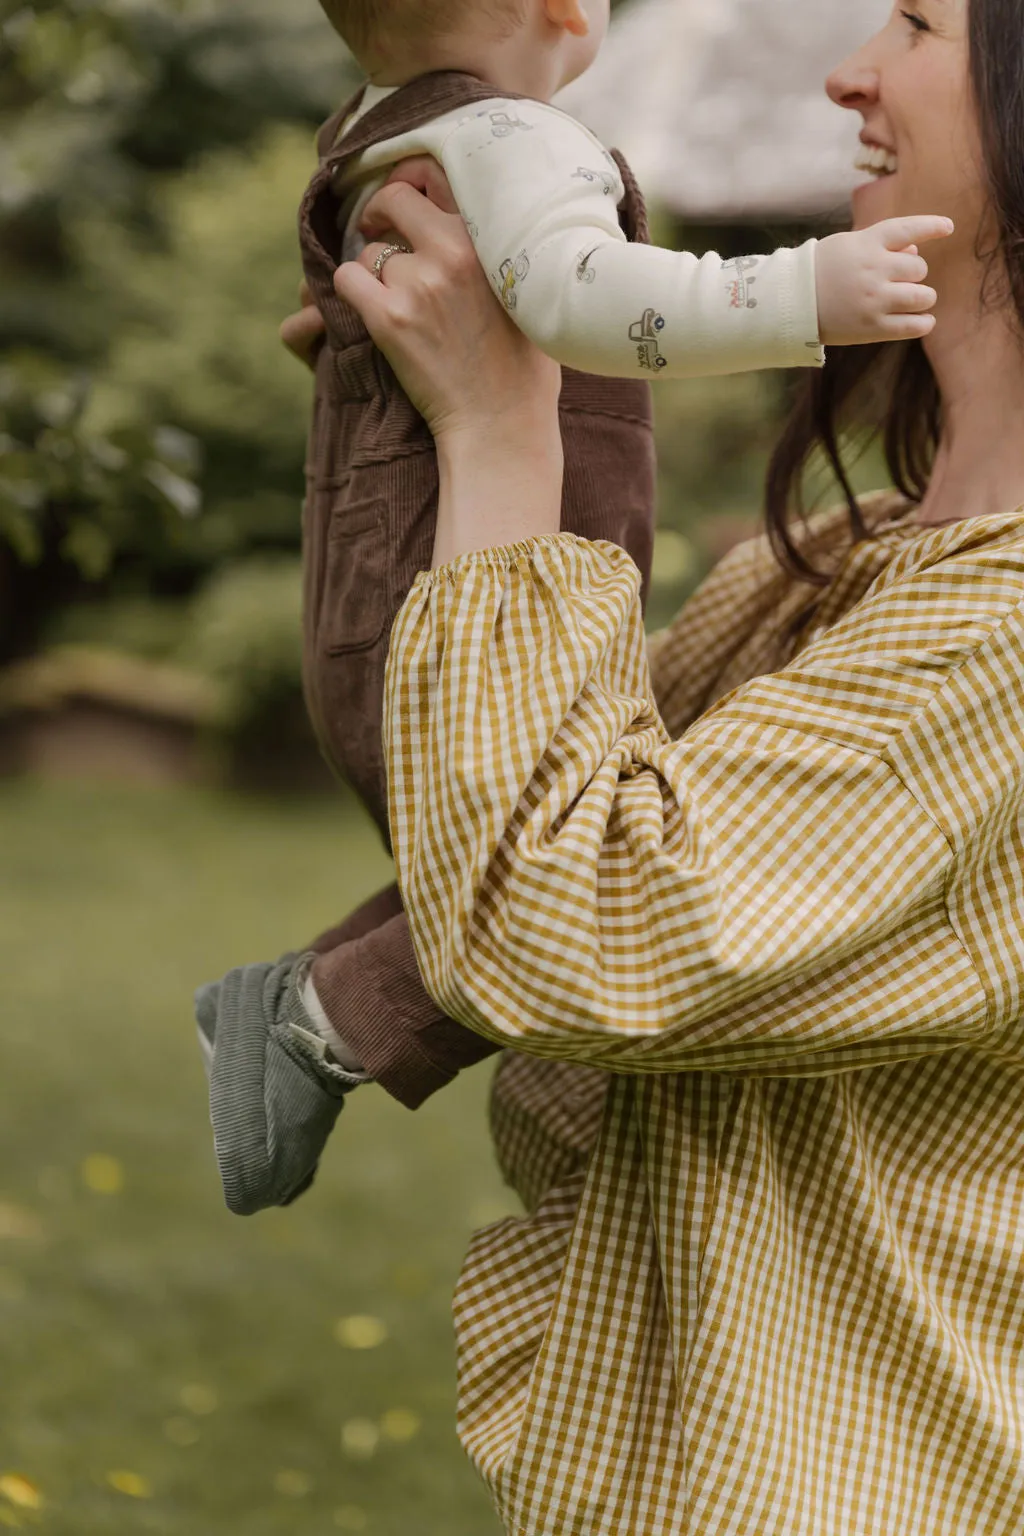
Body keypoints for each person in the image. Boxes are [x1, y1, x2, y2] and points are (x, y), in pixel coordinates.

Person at [321, 0, 1024, 1531]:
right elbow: (517, 773)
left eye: (913, 22)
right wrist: (422, 402)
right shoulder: (846, 561)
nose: (847, 69)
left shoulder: (1001, 648)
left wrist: (502, 428)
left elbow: (555, 925)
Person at [195, 0, 949, 1218]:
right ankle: (326, 1021)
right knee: (538, 854)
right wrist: (804, 291)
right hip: (455, 619)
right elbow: (590, 298)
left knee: (542, 832)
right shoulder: (517, 138)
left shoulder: (374, 133)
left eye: (914, 23)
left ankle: (312, 1006)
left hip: (388, 610)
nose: (849, 68)